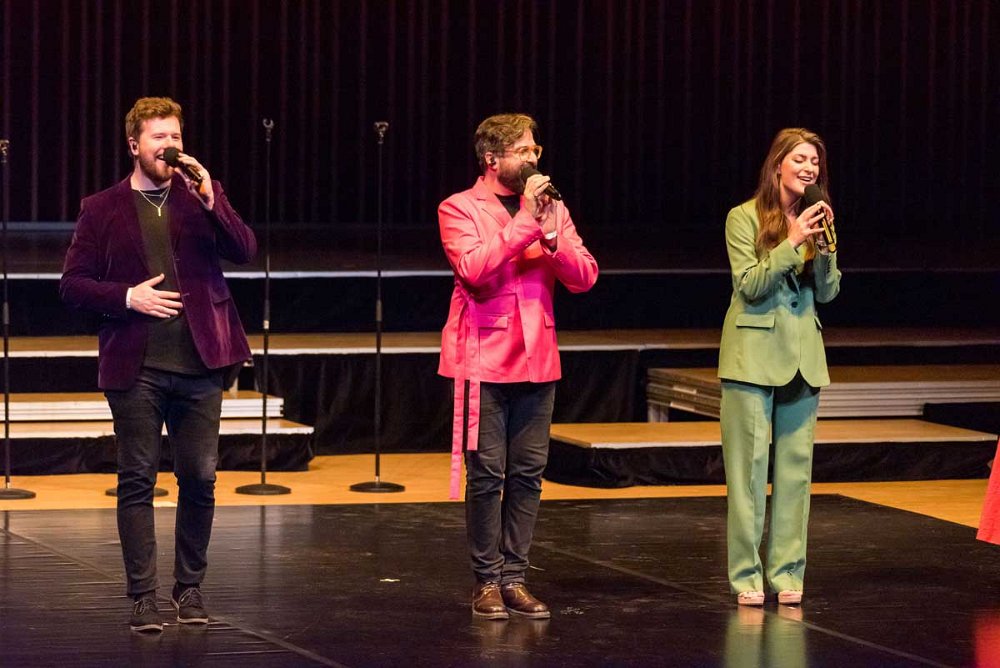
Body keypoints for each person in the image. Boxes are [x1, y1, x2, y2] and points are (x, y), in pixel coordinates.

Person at [60, 97, 257, 632]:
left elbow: (245, 249)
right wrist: (128, 297)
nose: (170, 146)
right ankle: (144, 596)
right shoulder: (102, 208)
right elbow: (72, 285)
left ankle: (189, 587)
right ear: (134, 145)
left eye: (176, 136)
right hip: (137, 363)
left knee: (199, 477)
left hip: (201, 359)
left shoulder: (200, 197)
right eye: (158, 137)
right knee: (137, 478)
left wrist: (213, 199)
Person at [438, 113, 598, 620]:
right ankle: (486, 580)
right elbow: (475, 270)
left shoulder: (553, 208)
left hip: (538, 356)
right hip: (482, 358)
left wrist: (551, 237)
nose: (533, 159)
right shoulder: (459, 207)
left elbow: (585, 277)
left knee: (528, 474)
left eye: (535, 150)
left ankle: (515, 578)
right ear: (492, 158)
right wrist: (527, 221)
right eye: (523, 151)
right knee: (487, 474)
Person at [717, 128, 841, 607]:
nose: (809, 168)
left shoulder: (818, 217)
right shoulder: (742, 217)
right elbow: (749, 285)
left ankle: (787, 572)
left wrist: (825, 248)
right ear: (778, 166)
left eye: (815, 162)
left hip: (803, 358)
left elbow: (827, 292)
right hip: (752, 357)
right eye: (800, 159)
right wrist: (792, 240)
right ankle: (746, 576)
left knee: (795, 473)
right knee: (747, 474)